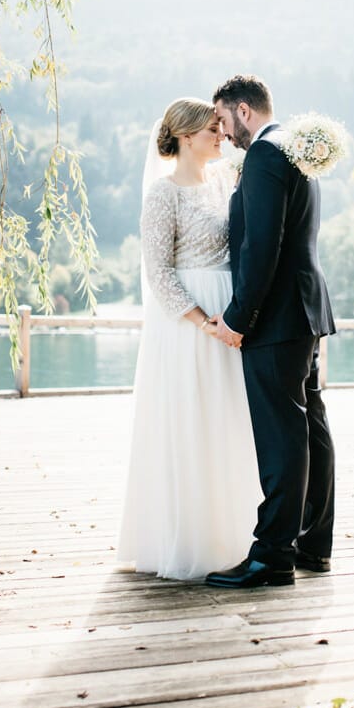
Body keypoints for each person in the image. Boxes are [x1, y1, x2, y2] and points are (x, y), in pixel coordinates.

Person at [117, 97, 261, 580]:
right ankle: (190, 539)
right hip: (189, 326)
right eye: (212, 130)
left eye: (221, 128)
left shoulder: (224, 178)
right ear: (185, 136)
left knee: (229, 422)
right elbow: (158, 274)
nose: (221, 135)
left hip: (232, 315)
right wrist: (205, 323)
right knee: (190, 422)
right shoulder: (163, 194)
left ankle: (237, 535)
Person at [206, 75, 336, 590]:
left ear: (243, 110)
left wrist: (238, 317)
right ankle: (311, 544)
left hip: (276, 319)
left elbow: (262, 247)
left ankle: (272, 557)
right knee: (310, 429)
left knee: (282, 435)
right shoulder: (295, 151)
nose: (222, 130)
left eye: (221, 118)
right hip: (303, 312)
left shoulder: (264, 156)